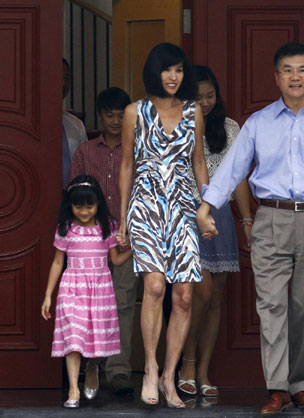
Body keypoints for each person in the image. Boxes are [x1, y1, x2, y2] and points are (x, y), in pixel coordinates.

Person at [196, 42, 304, 415]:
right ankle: (277, 388)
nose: (295, 77)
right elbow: (232, 169)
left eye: (302, 70)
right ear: (276, 77)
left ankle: (301, 385)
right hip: (270, 219)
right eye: (287, 70)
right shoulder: (258, 124)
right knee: (271, 306)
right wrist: (207, 206)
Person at [118, 42, 209, 408]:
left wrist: (207, 208)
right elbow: (127, 164)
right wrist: (124, 218)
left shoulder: (193, 112)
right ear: (154, 72)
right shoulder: (133, 112)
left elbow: (199, 162)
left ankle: (171, 376)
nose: (173, 77)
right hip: (146, 207)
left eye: (179, 70)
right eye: (167, 70)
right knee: (154, 286)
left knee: (184, 295)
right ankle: (151, 367)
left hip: (185, 208)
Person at [175, 65, 253, 399]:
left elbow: (238, 178)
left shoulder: (231, 128)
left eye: (210, 95)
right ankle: (186, 364)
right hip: (189, 212)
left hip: (219, 216)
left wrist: (246, 220)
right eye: (197, 96)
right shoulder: (177, 124)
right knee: (199, 294)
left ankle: (204, 369)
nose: (205, 102)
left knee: (216, 298)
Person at [41, 175, 132, 408]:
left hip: (100, 290)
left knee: (96, 336)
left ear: (98, 204)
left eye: (89, 206)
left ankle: (92, 365)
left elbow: (116, 260)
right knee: (73, 335)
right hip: (72, 288)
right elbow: (57, 263)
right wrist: (48, 296)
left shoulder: (107, 227)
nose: (84, 212)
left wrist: (134, 248)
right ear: (70, 205)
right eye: (78, 206)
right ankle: (73, 389)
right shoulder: (65, 229)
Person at [68, 87, 137, 395]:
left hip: (124, 234)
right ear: (100, 115)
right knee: (87, 305)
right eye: (109, 115)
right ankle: (90, 363)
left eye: (121, 115)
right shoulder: (85, 150)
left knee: (122, 302)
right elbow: (73, 194)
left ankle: (119, 371)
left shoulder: (136, 149)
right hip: (90, 240)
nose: (115, 121)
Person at [62, 59, 88, 187]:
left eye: (66, 77)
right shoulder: (31, 125)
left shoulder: (76, 125)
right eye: (57, 76)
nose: (62, 83)